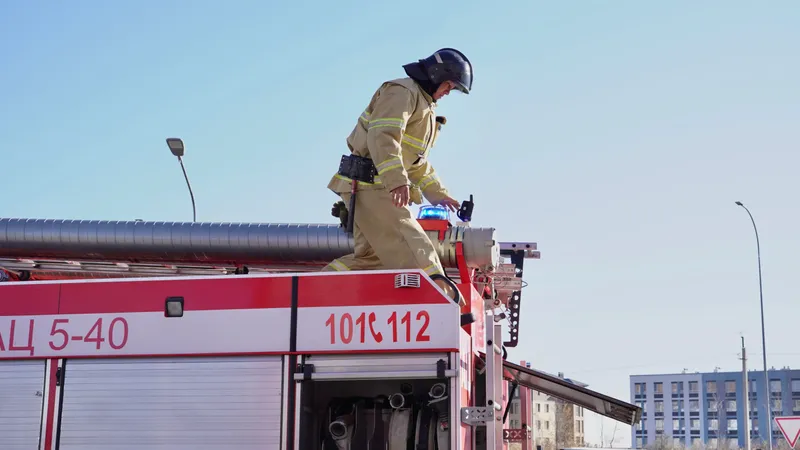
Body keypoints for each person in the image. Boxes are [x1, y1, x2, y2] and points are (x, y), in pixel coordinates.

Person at [322, 48, 473, 280]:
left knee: (372, 259)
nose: (448, 92)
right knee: (414, 247)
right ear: (435, 75)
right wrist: (397, 182)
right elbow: (383, 137)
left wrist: (439, 194)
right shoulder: (402, 92)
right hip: (371, 184)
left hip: (370, 185)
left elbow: (415, 162)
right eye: (449, 85)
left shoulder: (424, 105)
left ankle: (312, 292)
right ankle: (443, 301)